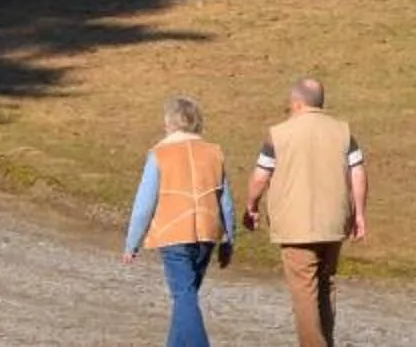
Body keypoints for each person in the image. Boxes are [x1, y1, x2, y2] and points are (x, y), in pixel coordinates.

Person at [242, 75, 368, 347]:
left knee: (304, 293)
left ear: (296, 104)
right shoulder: (343, 132)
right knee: (326, 286)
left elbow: (261, 177)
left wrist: (251, 206)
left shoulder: (279, 134)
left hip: (295, 225)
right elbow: (358, 173)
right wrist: (359, 215)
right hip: (334, 223)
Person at [123, 95, 233, 347]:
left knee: (184, 297)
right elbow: (225, 201)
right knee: (186, 298)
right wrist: (229, 239)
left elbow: (144, 203)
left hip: (173, 233)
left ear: (169, 122)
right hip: (207, 232)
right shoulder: (213, 152)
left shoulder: (160, 153)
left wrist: (132, 243)